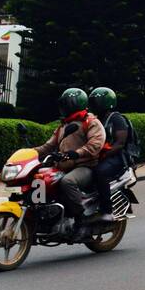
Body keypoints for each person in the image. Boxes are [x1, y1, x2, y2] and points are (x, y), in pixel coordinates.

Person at [35, 87, 106, 240]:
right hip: (63, 165)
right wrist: (30, 153)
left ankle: (82, 220)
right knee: (40, 179)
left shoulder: (91, 122)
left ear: (75, 104)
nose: (63, 108)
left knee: (67, 182)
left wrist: (77, 153)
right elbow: (48, 146)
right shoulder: (64, 125)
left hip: (85, 166)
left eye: (66, 104)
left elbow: (96, 144)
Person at [87, 86, 137, 222]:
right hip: (99, 155)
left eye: (96, 102)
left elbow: (120, 143)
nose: (93, 106)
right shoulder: (95, 120)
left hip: (116, 157)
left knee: (100, 172)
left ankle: (107, 210)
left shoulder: (116, 119)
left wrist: (102, 155)